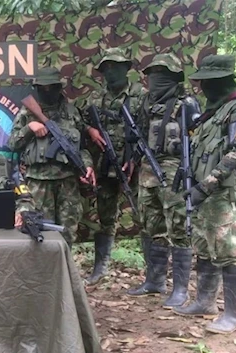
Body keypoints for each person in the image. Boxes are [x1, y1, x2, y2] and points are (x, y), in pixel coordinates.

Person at [173, 55, 236, 334]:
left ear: (220, 81)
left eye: (206, 82)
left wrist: (206, 185)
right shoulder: (211, 113)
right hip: (201, 192)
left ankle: (233, 315)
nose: (202, 87)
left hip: (220, 192)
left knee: (228, 251)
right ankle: (205, 302)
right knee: (205, 247)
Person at [126, 53, 199, 309]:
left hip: (175, 171)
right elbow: (137, 135)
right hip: (148, 170)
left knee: (179, 228)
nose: (155, 79)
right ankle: (154, 280)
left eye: (162, 74)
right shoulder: (146, 102)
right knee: (150, 224)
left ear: (174, 77)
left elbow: (197, 141)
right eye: (152, 74)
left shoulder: (187, 104)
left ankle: (180, 289)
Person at [8, 67, 95, 245]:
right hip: (38, 183)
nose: (47, 91)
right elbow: (12, 144)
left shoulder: (71, 113)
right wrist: (29, 128)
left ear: (58, 87)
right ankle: (44, 273)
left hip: (68, 182)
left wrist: (87, 165)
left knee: (68, 233)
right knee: (41, 232)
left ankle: (64, 271)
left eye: (51, 87)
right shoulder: (27, 113)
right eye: (43, 88)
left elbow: (82, 147)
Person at [81, 48, 146, 284]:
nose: (111, 73)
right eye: (106, 69)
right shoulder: (96, 98)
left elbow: (150, 131)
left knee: (148, 217)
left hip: (136, 165)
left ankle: (153, 275)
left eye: (115, 67)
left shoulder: (141, 95)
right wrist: (91, 130)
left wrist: (135, 158)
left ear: (126, 68)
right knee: (106, 216)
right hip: (104, 164)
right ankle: (100, 268)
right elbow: (81, 123)